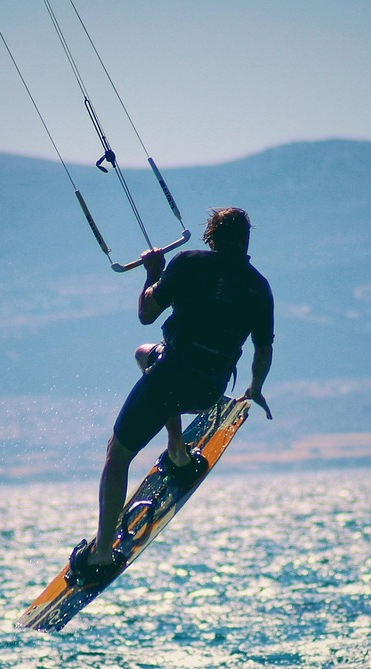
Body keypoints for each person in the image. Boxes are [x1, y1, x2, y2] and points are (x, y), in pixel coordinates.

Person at [67, 207, 274, 585]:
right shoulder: (259, 288)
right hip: (210, 389)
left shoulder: (189, 263)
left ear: (211, 237)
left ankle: (100, 554)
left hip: (169, 382)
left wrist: (153, 273)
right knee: (146, 354)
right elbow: (263, 349)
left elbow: (147, 313)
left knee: (118, 454)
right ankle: (177, 453)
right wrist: (255, 389)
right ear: (246, 240)